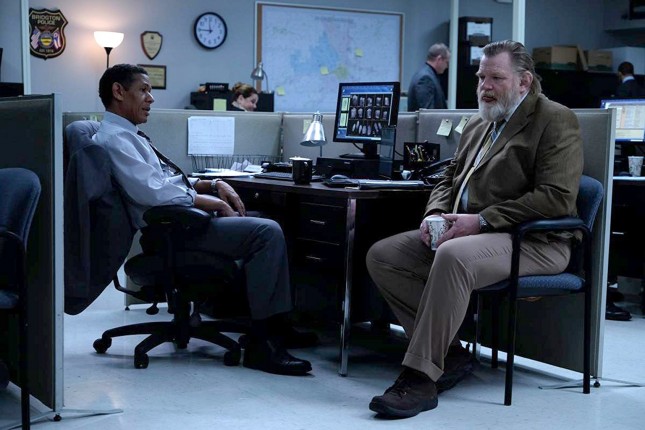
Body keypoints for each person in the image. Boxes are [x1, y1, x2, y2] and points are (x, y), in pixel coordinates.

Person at [366, 40, 583, 418]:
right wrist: (435, 213)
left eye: (496, 78)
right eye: (481, 77)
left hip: (534, 240)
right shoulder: (481, 121)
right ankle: (449, 354)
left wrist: (482, 220)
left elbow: (556, 197)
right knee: (384, 256)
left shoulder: (554, 119)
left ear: (524, 81)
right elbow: (449, 176)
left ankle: (420, 379)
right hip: (475, 234)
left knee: (453, 256)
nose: (485, 86)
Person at [94, 64, 316, 376]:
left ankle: (277, 325)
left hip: (179, 223)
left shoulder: (127, 135)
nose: (151, 98)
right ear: (118, 92)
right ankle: (262, 345)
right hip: (173, 230)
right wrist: (209, 200)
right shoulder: (115, 139)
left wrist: (210, 184)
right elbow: (154, 192)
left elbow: (163, 180)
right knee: (266, 231)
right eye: (143, 90)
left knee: (276, 219)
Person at [407, 43, 450, 111]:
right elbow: (428, 113)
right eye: (446, 62)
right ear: (439, 59)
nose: (447, 66)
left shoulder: (425, 74)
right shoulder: (425, 78)